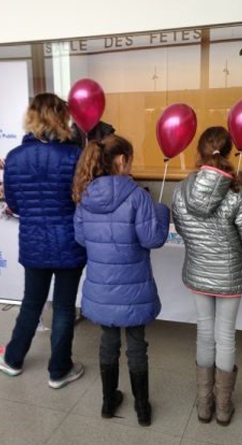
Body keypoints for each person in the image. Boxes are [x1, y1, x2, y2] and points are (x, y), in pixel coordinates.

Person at [0, 93, 87, 389]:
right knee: (65, 307)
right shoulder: (75, 156)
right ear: (62, 117)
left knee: (31, 303)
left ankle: (14, 359)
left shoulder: (15, 157)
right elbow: (83, 200)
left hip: (33, 241)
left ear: (32, 117)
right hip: (70, 241)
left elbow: (14, 204)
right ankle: (59, 370)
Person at [72, 134, 169, 426]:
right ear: (121, 160)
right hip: (134, 286)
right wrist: (161, 212)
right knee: (137, 344)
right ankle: (142, 409)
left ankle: (107, 402)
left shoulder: (85, 195)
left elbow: (80, 238)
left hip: (101, 286)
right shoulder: (137, 195)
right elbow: (152, 239)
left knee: (107, 341)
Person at [172, 127, 242, 426]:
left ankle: (203, 406)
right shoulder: (237, 191)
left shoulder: (182, 188)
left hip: (198, 271)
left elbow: (183, 231)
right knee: (225, 336)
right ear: (230, 152)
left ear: (199, 153)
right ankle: (223, 409)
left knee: (204, 333)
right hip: (230, 275)